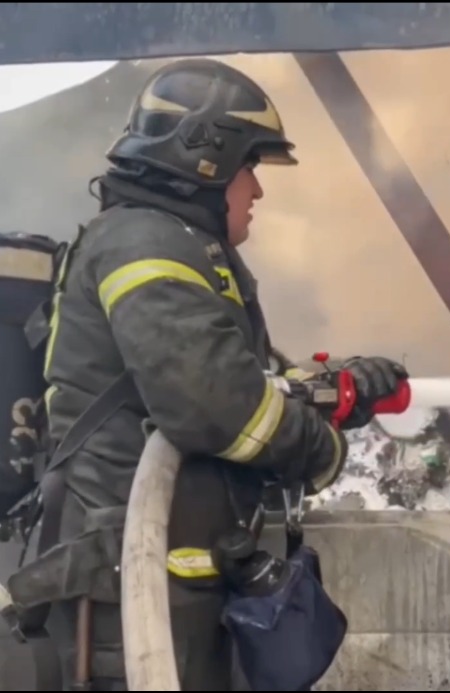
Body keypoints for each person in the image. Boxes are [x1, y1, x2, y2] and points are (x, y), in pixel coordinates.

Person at [39, 58, 408, 691]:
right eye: (251, 170)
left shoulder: (176, 246)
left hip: (169, 579)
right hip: (129, 590)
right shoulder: (144, 245)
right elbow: (217, 406)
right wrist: (321, 449)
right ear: (204, 161)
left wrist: (339, 390)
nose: (257, 191)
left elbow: (250, 379)